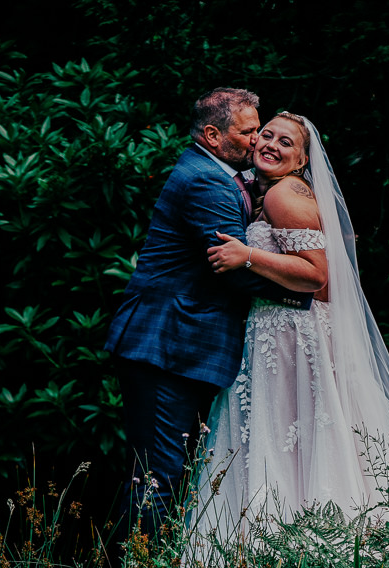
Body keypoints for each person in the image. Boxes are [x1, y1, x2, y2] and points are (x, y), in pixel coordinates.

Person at [187, 112, 389, 554]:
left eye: (285, 142)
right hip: (284, 334)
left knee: (285, 440)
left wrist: (247, 255)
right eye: (265, 135)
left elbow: (316, 275)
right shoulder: (273, 192)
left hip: (290, 338)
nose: (270, 144)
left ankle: (284, 560)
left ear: (301, 159)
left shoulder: (283, 196)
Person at [106, 87, 268, 540]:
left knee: (168, 475)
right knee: (156, 478)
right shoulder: (205, 180)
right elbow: (233, 271)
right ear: (213, 135)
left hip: (182, 347)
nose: (257, 140)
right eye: (248, 131)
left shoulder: (222, 174)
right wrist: (307, 289)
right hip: (166, 346)